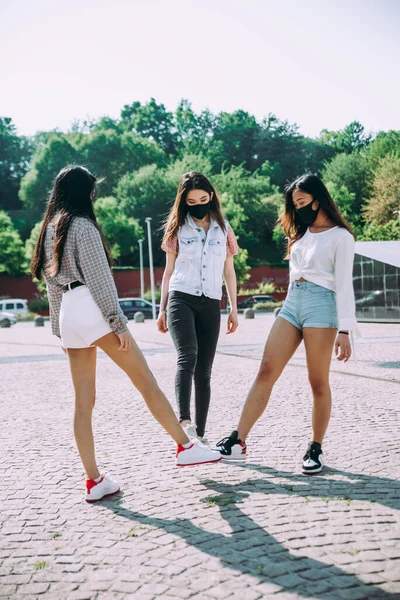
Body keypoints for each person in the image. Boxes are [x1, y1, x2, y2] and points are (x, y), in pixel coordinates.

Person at [31, 165, 221, 502]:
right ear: (83, 192)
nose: (94, 195)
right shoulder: (83, 227)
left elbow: (51, 287)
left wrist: (60, 330)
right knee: (144, 380)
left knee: (83, 403)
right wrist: (118, 325)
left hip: (70, 313)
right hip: (92, 309)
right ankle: (185, 445)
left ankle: (94, 481)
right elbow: (101, 282)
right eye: (92, 190)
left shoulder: (49, 228)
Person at [215, 173, 359, 474]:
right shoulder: (301, 235)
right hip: (293, 303)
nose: (298, 209)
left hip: (323, 306)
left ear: (317, 200)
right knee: (266, 369)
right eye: (294, 204)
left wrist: (345, 330)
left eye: (302, 202)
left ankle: (315, 448)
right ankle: (237, 440)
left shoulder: (341, 237)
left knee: (317, 381)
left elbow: (345, 285)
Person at [157, 172, 239, 445]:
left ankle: (200, 437)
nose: (198, 204)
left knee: (204, 370)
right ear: (184, 201)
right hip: (182, 297)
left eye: (203, 199)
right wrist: (162, 308)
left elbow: (229, 270)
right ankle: (184, 422)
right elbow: (168, 272)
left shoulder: (224, 229)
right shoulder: (176, 228)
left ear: (211, 197)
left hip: (211, 302)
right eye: (191, 201)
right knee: (187, 356)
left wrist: (234, 309)